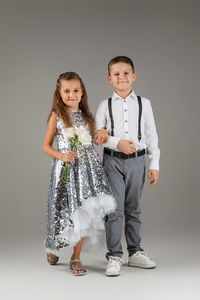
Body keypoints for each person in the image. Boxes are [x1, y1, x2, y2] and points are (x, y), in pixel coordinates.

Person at [43, 72, 116, 276]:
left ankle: (76, 257)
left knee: (84, 211)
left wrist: (101, 135)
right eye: (67, 91)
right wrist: (62, 155)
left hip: (87, 172)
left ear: (82, 92)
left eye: (76, 90)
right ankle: (53, 246)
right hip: (65, 171)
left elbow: (91, 143)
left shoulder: (87, 117)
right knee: (60, 211)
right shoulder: (56, 117)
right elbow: (46, 146)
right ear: (59, 93)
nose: (71, 95)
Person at [94, 56, 160, 276]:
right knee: (114, 209)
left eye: (125, 73)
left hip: (137, 162)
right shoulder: (105, 105)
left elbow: (151, 135)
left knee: (134, 208)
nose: (121, 78)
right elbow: (97, 134)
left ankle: (135, 252)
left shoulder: (144, 103)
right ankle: (114, 255)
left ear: (133, 76)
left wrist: (154, 163)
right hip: (111, 161)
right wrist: (116, 142)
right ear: (109, 79)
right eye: (116, 74)